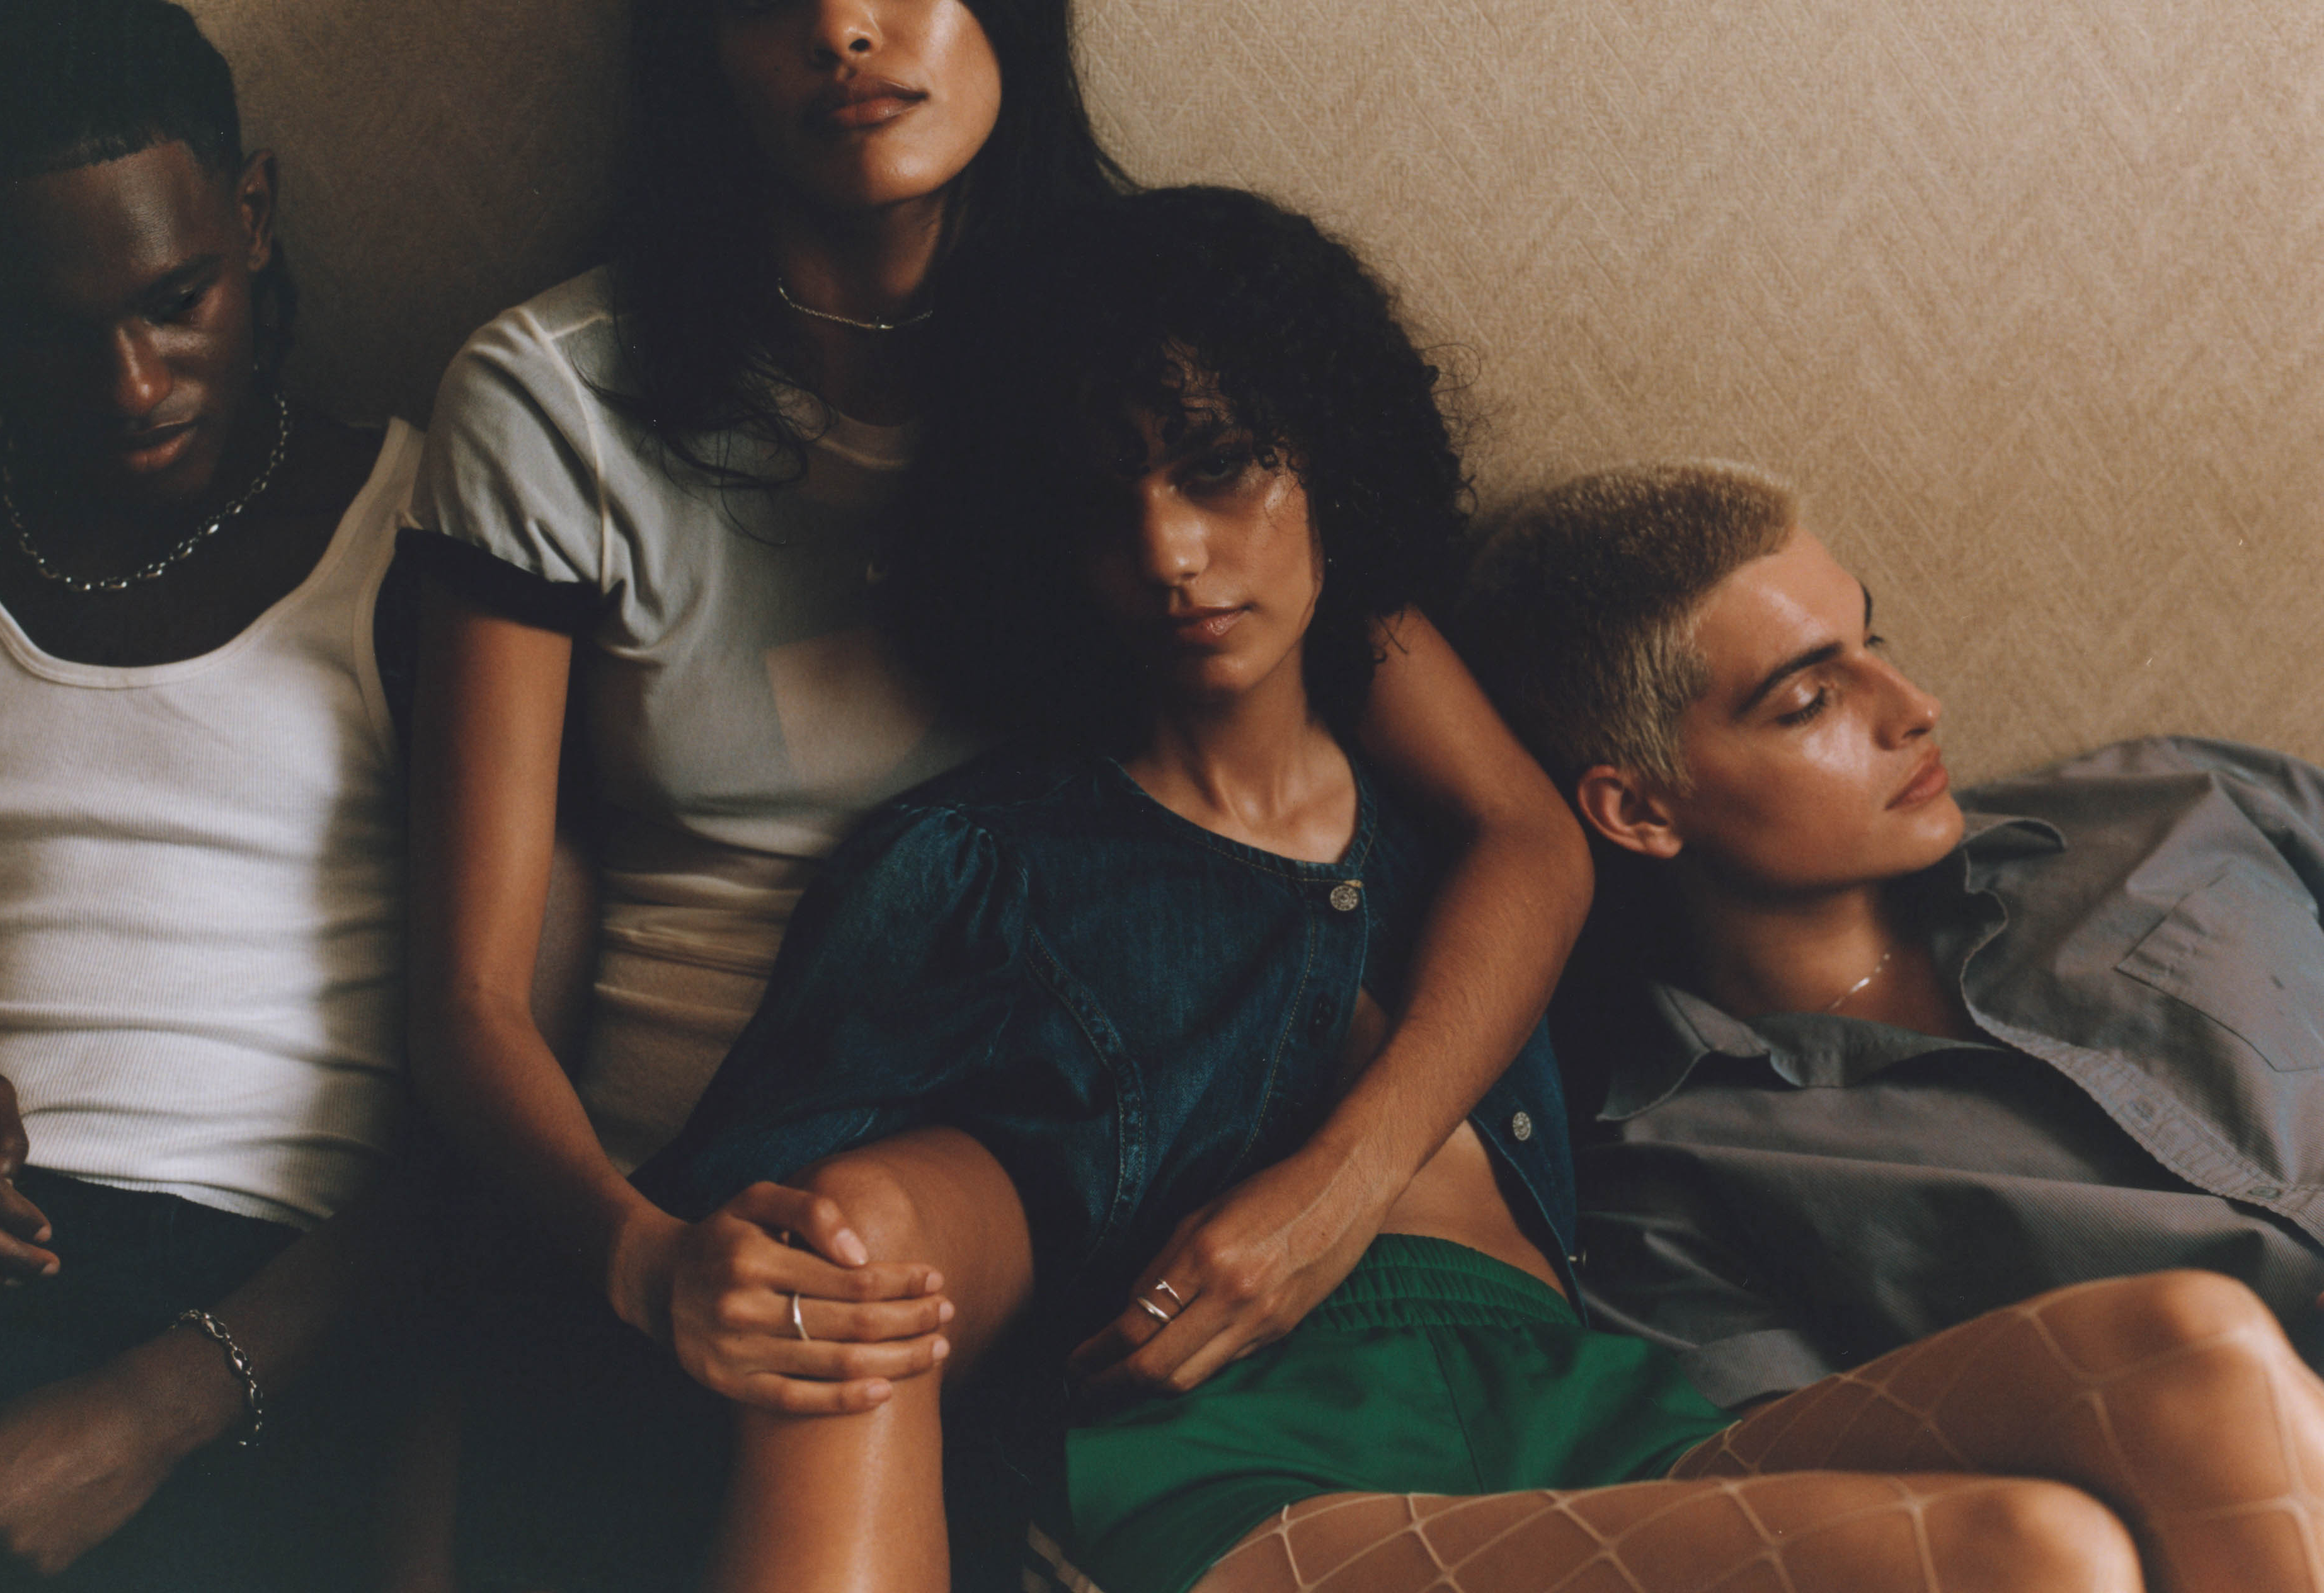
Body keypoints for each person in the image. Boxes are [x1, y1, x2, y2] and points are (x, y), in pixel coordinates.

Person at [642, 187, 2324, 1593]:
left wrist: (1333, 1182)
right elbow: (768, 1231)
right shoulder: (982, 861)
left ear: (1325, 467)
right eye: (1102, 508)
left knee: (2195, 1350)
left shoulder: (1469, 829)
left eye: (1223, 469)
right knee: (2033, 1559)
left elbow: (1538, 832)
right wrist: (690, 1265)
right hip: (1268, 1465)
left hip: (1591, 1411)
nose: (1168, 552)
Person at [400, 0, 1590, 1562]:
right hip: (741, 1190)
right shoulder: (558, 401)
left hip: (1140, 1154)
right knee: (837, 1272)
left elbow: (1521, 830)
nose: (843, 32)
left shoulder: (1152, 350)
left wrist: (1334, 1190)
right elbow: (472, 999)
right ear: (698, 55)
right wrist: (640, 1258)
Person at [0, 0, 425, 1587]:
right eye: (54, 332)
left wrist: (154, 1410)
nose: (132, 385)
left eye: (176, 299)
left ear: (250, 217)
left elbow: (510, 1092)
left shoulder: (419, 543)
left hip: (258, 1327)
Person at [1455, 459, 2324, 1410]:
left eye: (1872, 641)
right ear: (1639, 810)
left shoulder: (2176, 804)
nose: (1916, 708)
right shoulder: (1670, 1194)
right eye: (1808, 702)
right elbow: (1844, 1477)